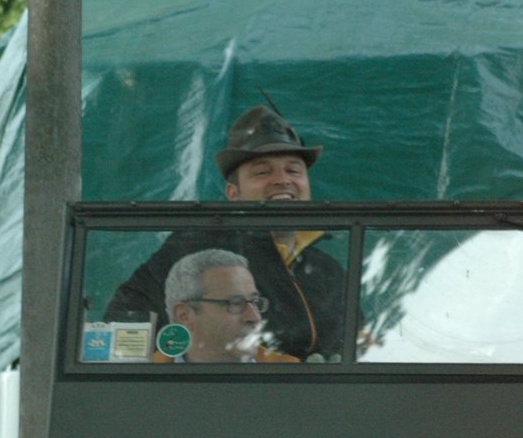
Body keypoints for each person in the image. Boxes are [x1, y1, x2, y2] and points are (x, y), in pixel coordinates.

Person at [107, 106, 345, 360]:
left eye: (293, 170)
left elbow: (360, 343)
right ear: (234, 195)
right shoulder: (197, 247)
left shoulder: (327, 269)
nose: (282, 180)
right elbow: (124, 322)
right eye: (263, 172)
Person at [151, 249, 299, 364]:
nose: (255, 317)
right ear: (185, 315)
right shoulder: (140, 377)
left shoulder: (290, 376)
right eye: (235, 303)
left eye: (254, 302)